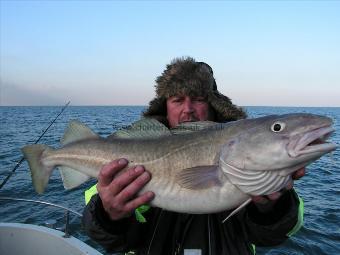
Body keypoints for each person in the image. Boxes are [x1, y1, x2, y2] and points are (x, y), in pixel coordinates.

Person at [82, 57, 305, 255]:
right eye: (177, 100)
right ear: (165, 107)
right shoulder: (129, 153)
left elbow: (272, 236)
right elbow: (116, 242)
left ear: (213, 105)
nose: (187, 109)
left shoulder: (249, 152)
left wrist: (273, 208)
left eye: (198, 98)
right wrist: (107, 215)